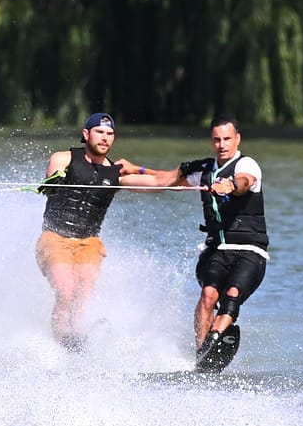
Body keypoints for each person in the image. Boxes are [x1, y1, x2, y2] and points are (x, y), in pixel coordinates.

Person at [36, 111, 169, 350]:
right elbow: (51, 176)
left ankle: (77, 340)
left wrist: (138, 169)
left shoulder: (117, 174)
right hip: (54, 238)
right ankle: (62, 342)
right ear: (86, 134)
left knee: (85, 289)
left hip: (89, 242)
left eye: (109, 134)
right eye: (99, 132)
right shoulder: (64, 159)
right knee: (66, 291)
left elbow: (162, 183)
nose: (105, 138)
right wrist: (54, 179)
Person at [173, 117, 268, 369]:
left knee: (232, 293)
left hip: (250, 251)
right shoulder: (205, 171)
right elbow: (164, 180)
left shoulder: (247, 164)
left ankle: (213, 339)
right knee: (208, 294)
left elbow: (244, 182)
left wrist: (230, 185)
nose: (222, 144)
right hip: (217, 250)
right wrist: (132, 173)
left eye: (227, 139)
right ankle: (201, 353)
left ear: (237, 139)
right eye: (217, 139)